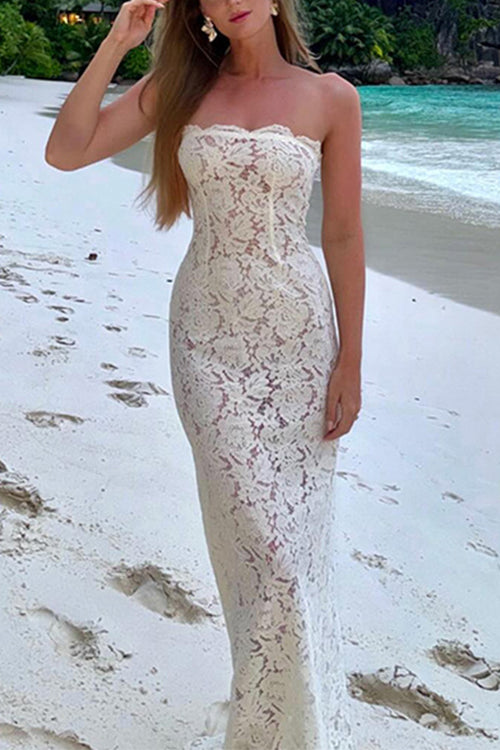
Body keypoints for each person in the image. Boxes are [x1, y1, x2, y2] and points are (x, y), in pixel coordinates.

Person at [45, 0, 365, 747]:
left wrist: (351, 359)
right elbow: (66, 150)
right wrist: (118, 42)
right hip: (207, 341)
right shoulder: (180, 87)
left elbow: (344, 232)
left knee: (291, 553)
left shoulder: (332, 97)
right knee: (258, 548)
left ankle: (287, 724)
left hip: (300, 342)